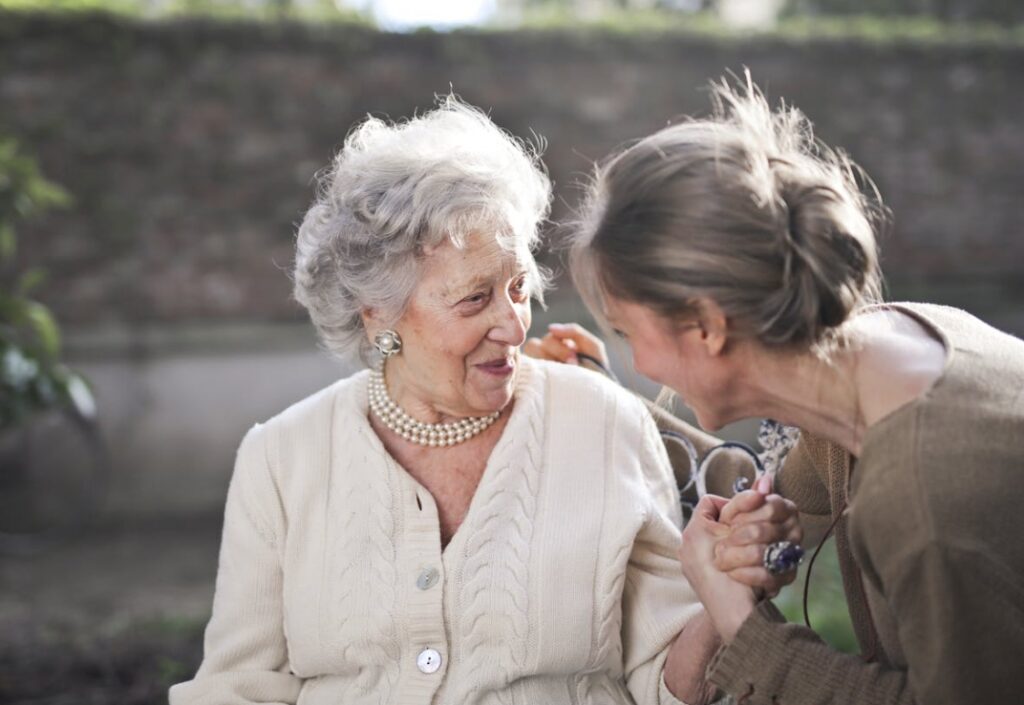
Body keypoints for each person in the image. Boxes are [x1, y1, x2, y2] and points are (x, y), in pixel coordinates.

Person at [168, 98, 798, 705]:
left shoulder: (603, 422)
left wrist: (724, 592)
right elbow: (238, 687)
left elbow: (663, 683)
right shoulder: (281, 458)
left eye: (519, 286)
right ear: (378, 317)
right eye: (474, 299)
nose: (513, 324)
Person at [549, 74, 1024, 704]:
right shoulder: (886, 349)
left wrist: (742, 624)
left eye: (627, 331)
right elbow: (769, 494)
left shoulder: (923, 495)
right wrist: (597, 396)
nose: (639, 360)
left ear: (707, 327)